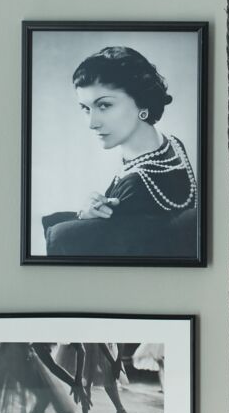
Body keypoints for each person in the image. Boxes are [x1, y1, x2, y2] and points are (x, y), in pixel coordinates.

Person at [42, 45, 198, 260]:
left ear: (141, 102)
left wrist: (84, 216)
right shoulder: (170, 144)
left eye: (104, 105)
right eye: (86, 108)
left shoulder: (136, 187)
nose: (91, 123)